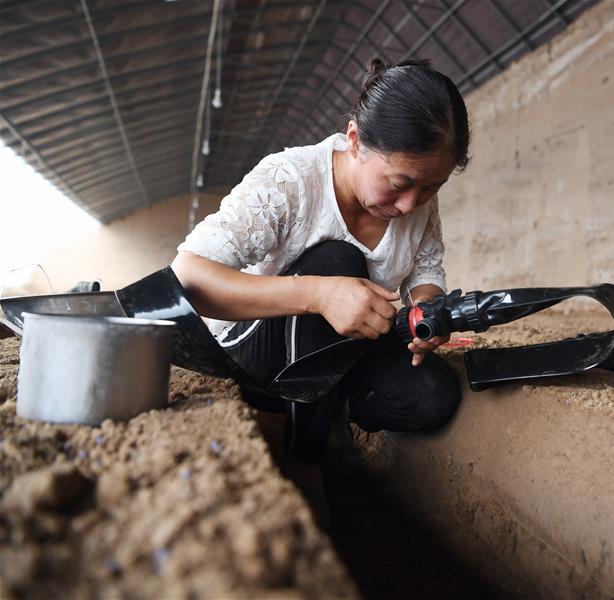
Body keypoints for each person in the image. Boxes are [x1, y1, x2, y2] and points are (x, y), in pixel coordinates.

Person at [171, 58, 469, 465]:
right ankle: (306, 455)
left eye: (431, 188)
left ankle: (339, 414)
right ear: (355, 141)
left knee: (434, 395)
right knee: (336, 260)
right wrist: (319, 295)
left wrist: (427, 310)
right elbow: (187, 275)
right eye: (399, 184)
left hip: (346, 349)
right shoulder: (291, 180)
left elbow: (425, 274)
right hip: (261, 354)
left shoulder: (416, 202)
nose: (409, 205)